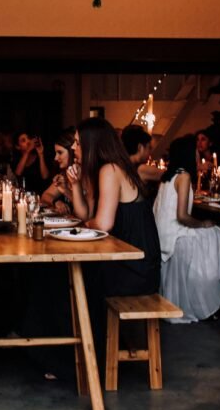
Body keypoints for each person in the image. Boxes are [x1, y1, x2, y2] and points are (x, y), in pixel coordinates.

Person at [67, 118, 161, 299]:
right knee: (65, 275)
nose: (73, 147)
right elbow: (85, 214)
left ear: (92, 144)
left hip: (136, 269)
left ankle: (80, 328)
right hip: (128, 262)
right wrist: (76, 185)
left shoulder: (110, 170)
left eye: (77, 142)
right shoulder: (104, 169)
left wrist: (87, 223)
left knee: (62, 276)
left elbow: (102, 225)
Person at [153, 134, 220, 323]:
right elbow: (182, 216)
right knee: (218, 235)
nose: (198, 156)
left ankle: (203, 289)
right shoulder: (184, 176)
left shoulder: (167, 176)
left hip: (161, 234)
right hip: (174, 235)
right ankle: (210, 293)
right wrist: (202, 224)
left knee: (211, 233)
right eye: (196, 152)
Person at [40, 127, 76, 213]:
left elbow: (87, 211)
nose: (56, 158)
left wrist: (66, 191)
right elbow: (45, 195)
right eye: (56, 153)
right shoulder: (65, 174)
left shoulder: (85, 174)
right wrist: (56, 202)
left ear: (72, 151)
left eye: (60, 152)